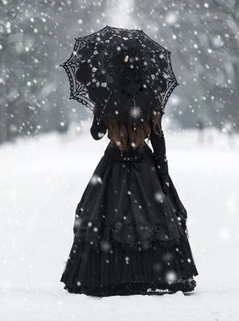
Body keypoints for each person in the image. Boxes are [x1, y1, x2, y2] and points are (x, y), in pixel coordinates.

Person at [60, 109, 198, 296]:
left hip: (114, 167)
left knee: (108, 219)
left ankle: (111, 277)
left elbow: (97, 134)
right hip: (144, 167)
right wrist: (163, 175)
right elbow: (158, 138)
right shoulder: (148, 96)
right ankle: (153, 275)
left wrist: (100, 113)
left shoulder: (109, 95)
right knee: (151, 220)